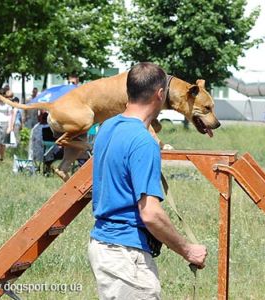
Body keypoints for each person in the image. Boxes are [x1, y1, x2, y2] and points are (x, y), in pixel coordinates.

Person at [88, 62, 207, 299]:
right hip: (126, 256)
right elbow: (150, 214)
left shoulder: (107, 127)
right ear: (160, 94)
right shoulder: (144, 141)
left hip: (103, 247)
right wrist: (188, 250)